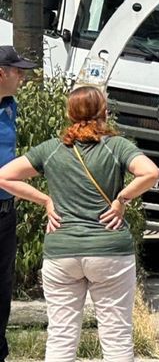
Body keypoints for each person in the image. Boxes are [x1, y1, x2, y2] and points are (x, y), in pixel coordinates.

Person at [0, 86, 159, 361]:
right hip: (110, 250)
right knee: (116, 335)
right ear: (104, 113)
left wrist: (46, 201)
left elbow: (4, 177)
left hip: (62, 250)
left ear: (69, 113)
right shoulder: (117, 147)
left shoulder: (51, 149)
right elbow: (151, 173)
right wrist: (121, 199)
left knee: (61, 336)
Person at [0, 45, 36, 362]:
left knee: (1, 292)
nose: (22, 76)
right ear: (1, 72)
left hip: (5, 214)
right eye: (18, 70)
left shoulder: (11, 106)